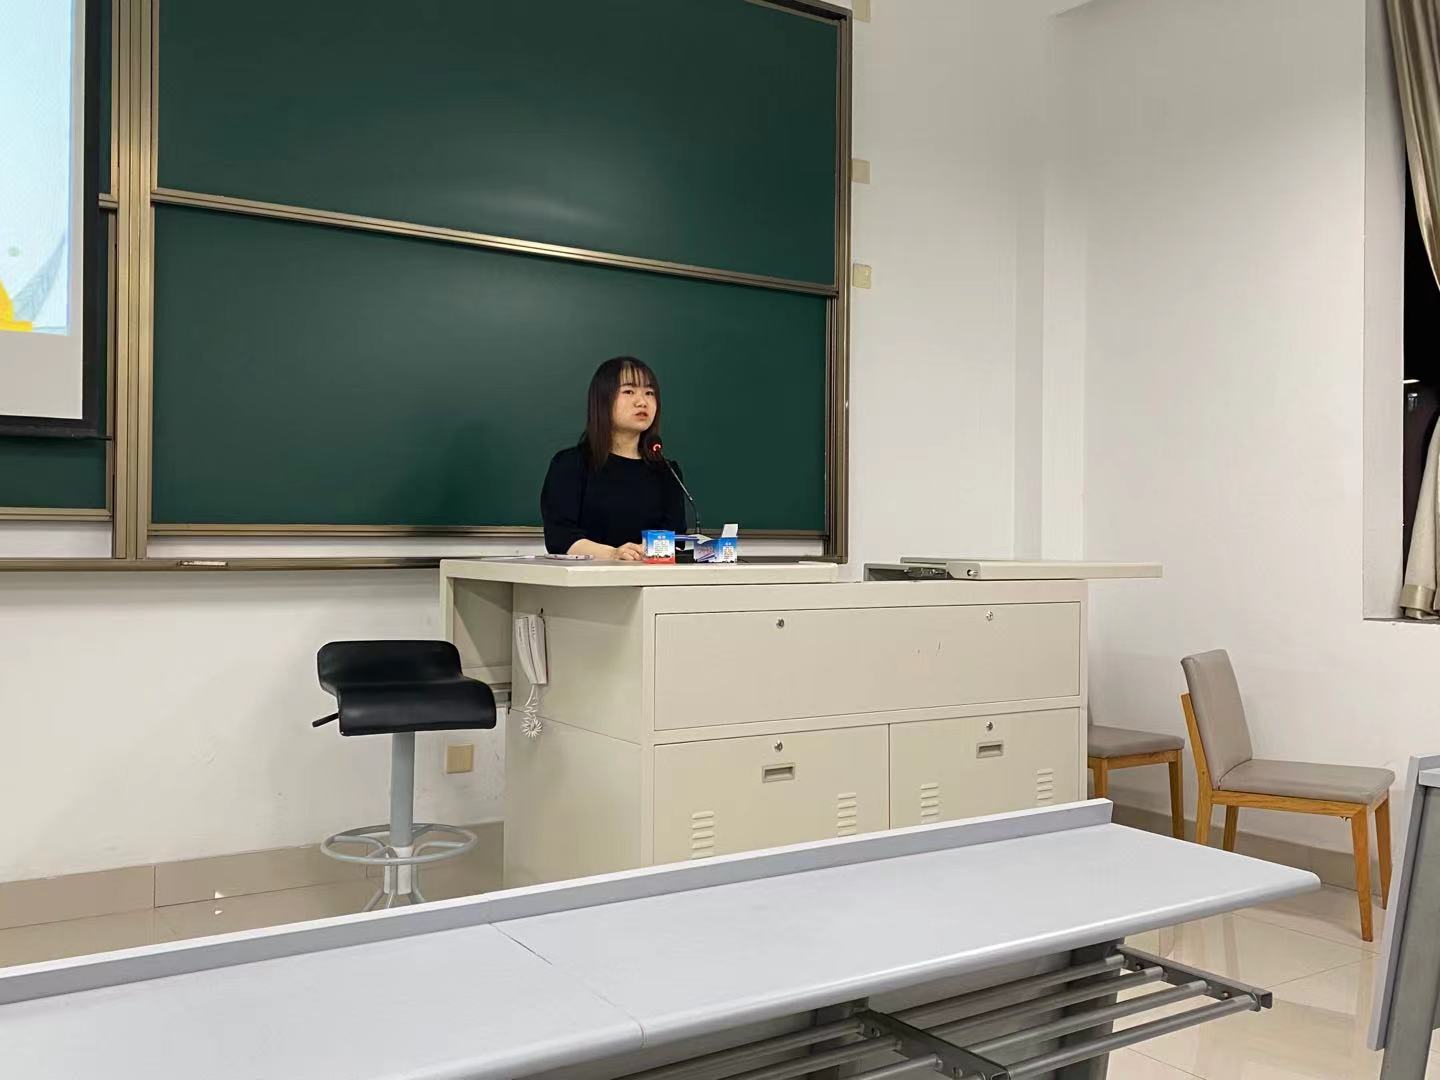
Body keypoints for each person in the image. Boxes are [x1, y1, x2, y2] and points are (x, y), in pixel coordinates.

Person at [541, 356, 687, 559]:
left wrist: (644, 554)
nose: (642, 402)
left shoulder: (667, 472)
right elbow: (560, 537)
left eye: (649, 393)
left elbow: (676, 539)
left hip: (650, 576)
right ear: (603, 400)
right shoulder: (571, 464)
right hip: (587, 576)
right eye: (629, 391)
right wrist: (613, 553)